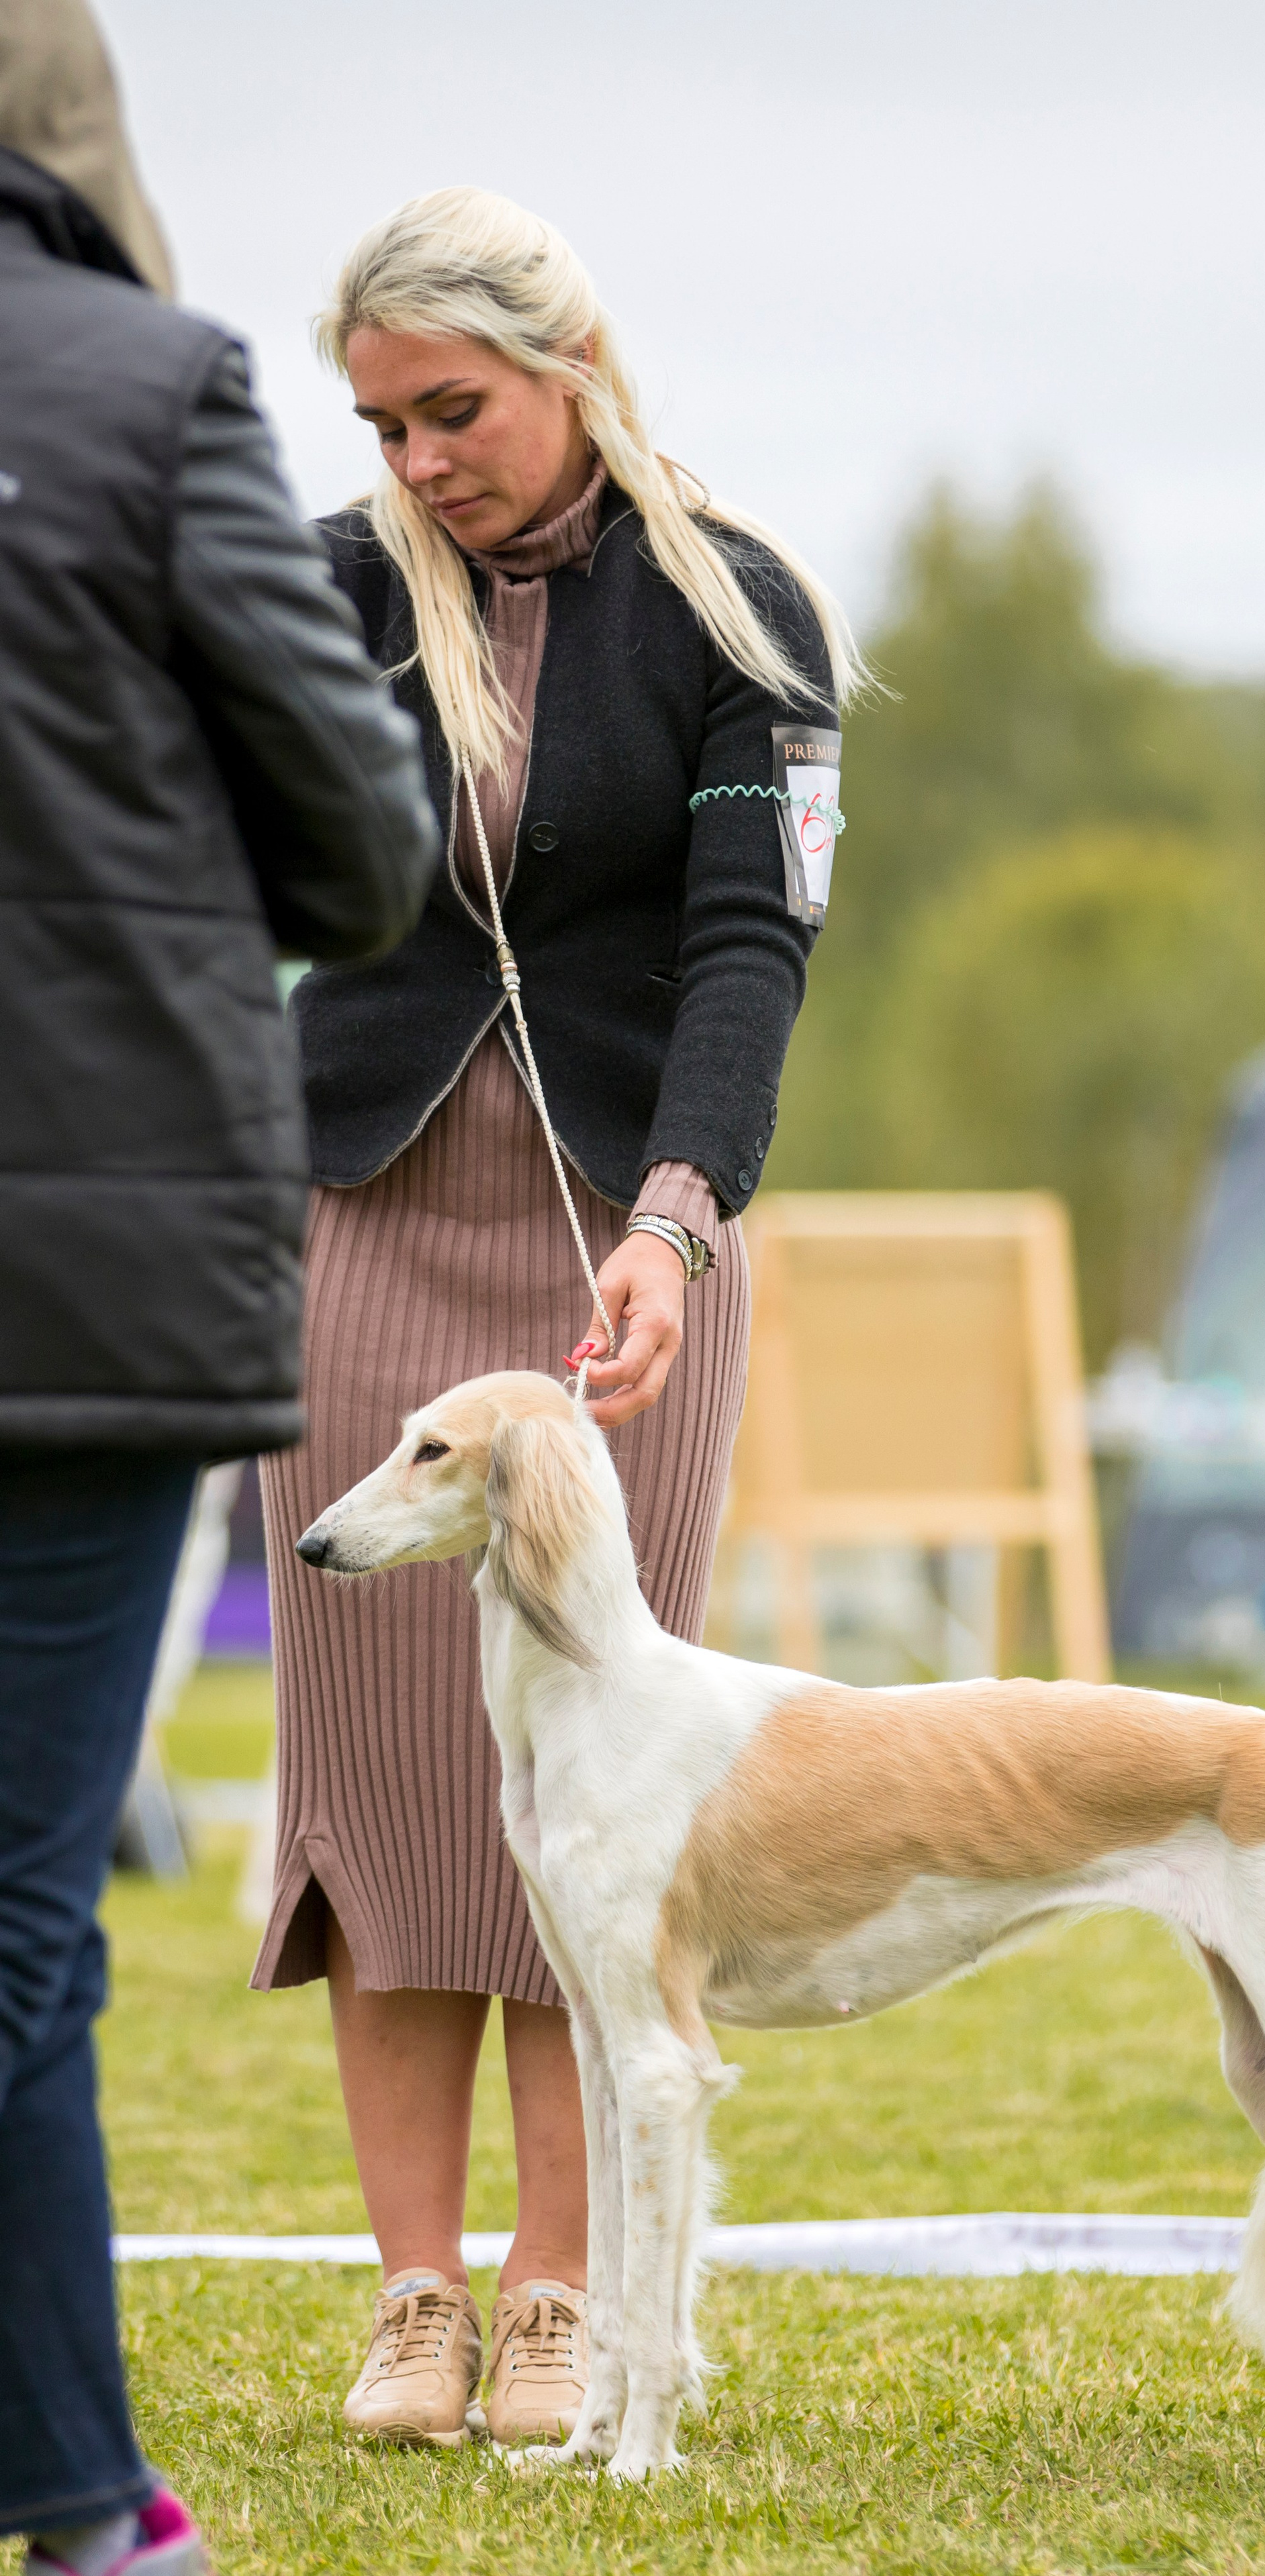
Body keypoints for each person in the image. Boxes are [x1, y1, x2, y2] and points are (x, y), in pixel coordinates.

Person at [253, 187, 861, 2452]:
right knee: (397, 1788)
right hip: (366, 1223)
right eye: (382, 422)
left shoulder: (745, 605)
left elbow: (749, 945)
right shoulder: (328, 590)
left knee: (600, 1787)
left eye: (453, 411)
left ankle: (556, 2290)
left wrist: (683, 1212)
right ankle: (413, 2289)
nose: (416, 460)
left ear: (570, 361)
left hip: (628, 1253)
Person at [0, 5, 442, 2567]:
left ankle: (78, 2483)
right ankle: (82, 2505)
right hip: (86, 1282)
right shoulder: (158, 389)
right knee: (22, 1916)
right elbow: (363, 839)